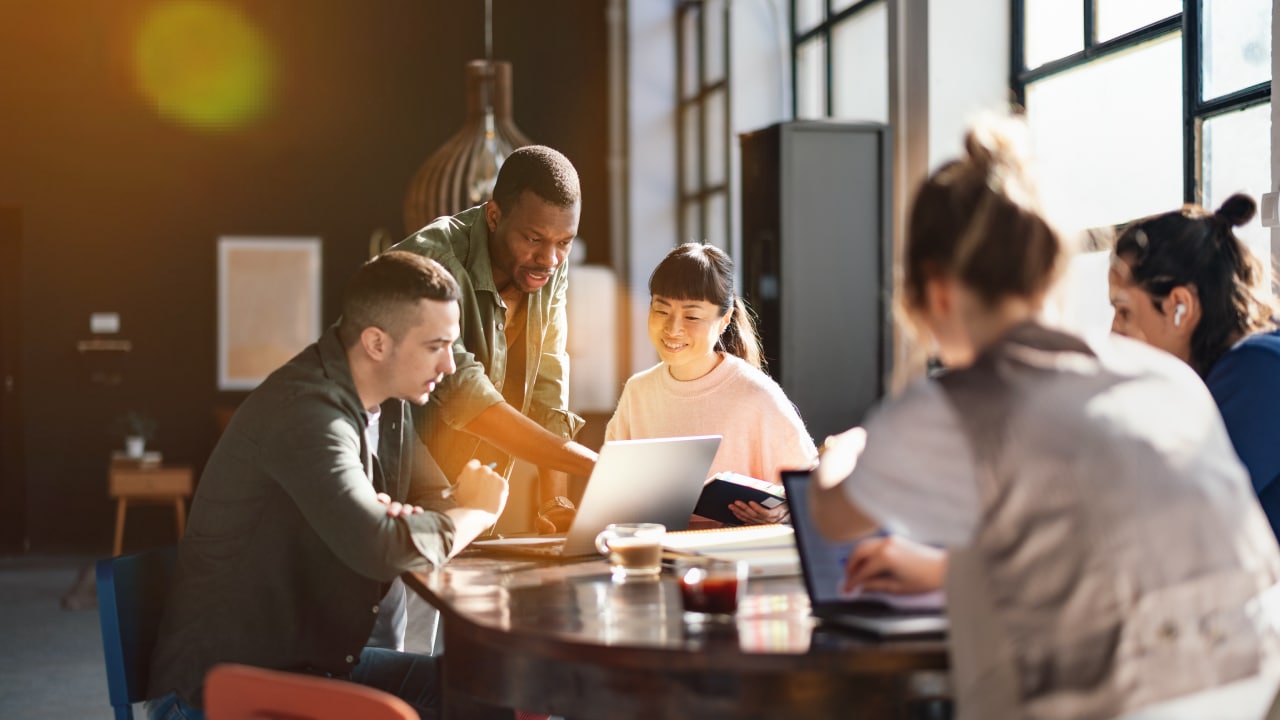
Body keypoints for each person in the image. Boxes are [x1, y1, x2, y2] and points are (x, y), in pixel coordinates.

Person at [809, 117, 1280, 719]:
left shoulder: (961, 401)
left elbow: (834, 516)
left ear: (937, 289)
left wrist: (846, 451)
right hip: (1248, 694)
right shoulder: (1168, 379)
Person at [145, 251, 510, 720]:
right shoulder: (305, 412)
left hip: (313, 665)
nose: (450, 366)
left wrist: (412, 523)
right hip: (225, 691)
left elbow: (432, 500)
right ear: (377, 342)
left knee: (488, 699)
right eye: (435, 346)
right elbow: (383, 546)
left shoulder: (390, 402)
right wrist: (477, 513)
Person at [390, 145, 596, 534]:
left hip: (472, 509)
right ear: (494, 215)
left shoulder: (548, 267)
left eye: (564, 242)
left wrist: (556, 501)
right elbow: (466, 395)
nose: (549, 259)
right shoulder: (430, 261)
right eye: (534, 239)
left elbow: (549, 384)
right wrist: (595, 467)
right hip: (392, 499)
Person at [604, 243, 817, 525]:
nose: (673, 328)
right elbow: (610, 489)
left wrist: (785, 510)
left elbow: (811, 488)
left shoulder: (756, 395)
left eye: (692, 316)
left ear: (724, 320)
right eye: (661, 310)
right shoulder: (638, 391)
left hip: (733, 556)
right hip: (657, 554)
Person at [1108, 193, 1280, 539]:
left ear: (1180, 306)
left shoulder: (1258, 370)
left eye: (1124, 311)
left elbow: (1166, 525)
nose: (1113, 332)